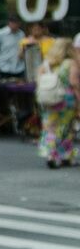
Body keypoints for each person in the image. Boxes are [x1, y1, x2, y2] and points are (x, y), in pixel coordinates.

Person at [37, 36, 78, 167]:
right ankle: (65, 155)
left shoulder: (47, 63)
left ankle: (50, 155)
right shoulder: (70, 63)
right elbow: (74, 82)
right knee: (66, 128)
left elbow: (39, 80)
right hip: (66, 99)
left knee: (50, 128)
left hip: (49, 99)